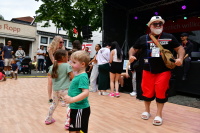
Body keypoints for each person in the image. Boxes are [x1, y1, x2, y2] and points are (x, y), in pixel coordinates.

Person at [129, 16, 185, 126]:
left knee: (161, 92)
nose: (158, 25)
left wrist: (180, 58)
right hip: (147, 70)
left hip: (164, 71)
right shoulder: (143, 38)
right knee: (147, 92)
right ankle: (147, 111)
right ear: (150, 26)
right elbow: (133, 48)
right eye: (155, 23)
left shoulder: (169, 37)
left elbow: (180, 48)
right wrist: (131, 56)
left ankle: (159, 114)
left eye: (160, 23)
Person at [64, 50, 91, 133]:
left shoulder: (82, 76)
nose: (71, 64)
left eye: (74, 62)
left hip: (80, 109)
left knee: (76, 131)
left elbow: (85, 92)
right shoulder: (77, 74)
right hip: (75, 108)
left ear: (82, 64)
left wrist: (72, 99)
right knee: (73, 130)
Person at [45, 49, 74, 126]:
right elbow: (72, 77)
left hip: (56, 89)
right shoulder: (67, 65)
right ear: (63, 57)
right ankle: (68, 122)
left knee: (54, 104)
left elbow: (50, 76)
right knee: (69, 105)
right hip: (65, 89)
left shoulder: (52, 66)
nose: (68, 58)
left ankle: (48, 119)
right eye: (67, 56)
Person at [46, 36, 65, 103]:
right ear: (56, 41)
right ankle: (49, 98)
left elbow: (64, 59)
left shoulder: (62, 48)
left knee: (59, 82)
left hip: (59, 65)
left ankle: (59, 96)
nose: (62, 43)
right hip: (51, 65)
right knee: (50, 81)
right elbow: (53, 60)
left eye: (63, 42)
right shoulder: (50, 48)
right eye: (60, 42)